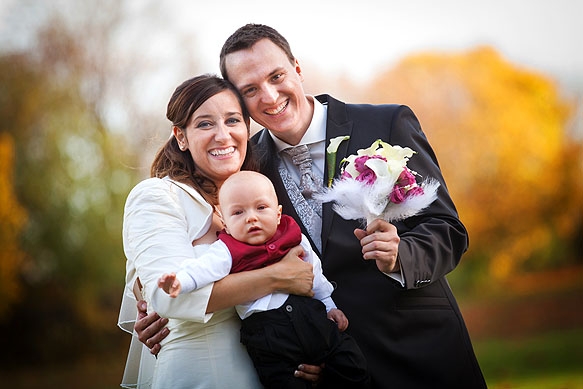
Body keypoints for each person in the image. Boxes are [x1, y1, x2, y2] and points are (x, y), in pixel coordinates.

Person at [136, 24, 488, 388]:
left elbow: (447, 229)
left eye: (277, 76)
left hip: (418, 350)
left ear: (297, 68)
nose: (270, 96)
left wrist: (402, 255)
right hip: (328, 366)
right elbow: (205, 236)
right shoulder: (245, 164)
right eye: (251, 90)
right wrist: (151, 297)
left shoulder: (385, 123)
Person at [118, 74, 317, 389]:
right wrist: (279, 276)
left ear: (247, 130)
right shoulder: (158, 197)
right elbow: (167, 298)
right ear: (181, 137)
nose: (223, 135)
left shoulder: (259, 199)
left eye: (233, 120)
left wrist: (315, 348)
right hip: (201, 376)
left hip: (270, 373)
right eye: (205, 124)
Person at [158, 170, 369, 388]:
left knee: (351, 364)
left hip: (311, 317)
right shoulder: (226, 249)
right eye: (238, 212)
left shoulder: (293, 236)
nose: (251, 217)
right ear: (225, 221)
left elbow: (315, 275)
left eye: (261, 208)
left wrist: (329, 307)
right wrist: (180, 281)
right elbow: (203, 269)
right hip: (268, 333)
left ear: (278, 213)